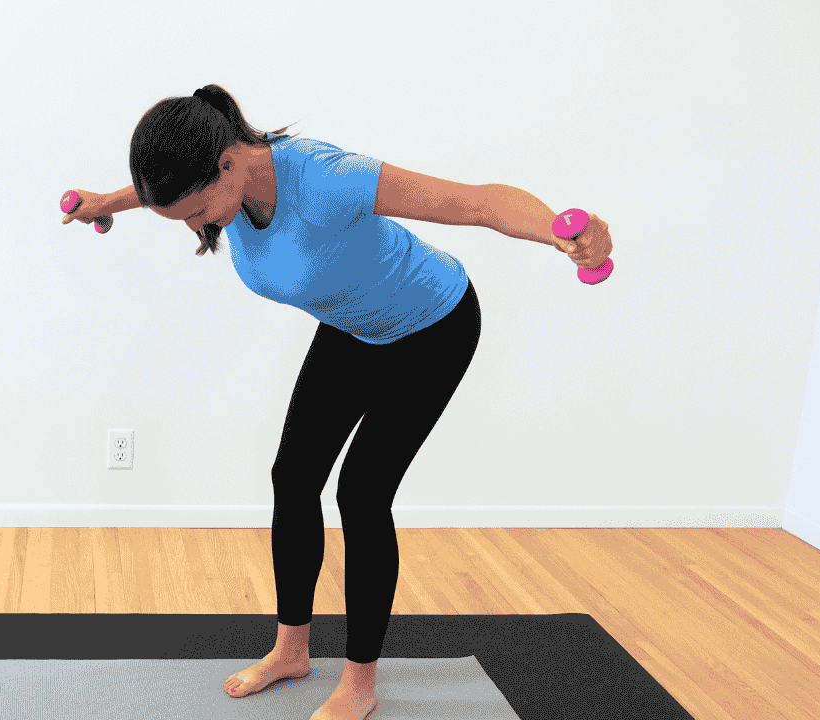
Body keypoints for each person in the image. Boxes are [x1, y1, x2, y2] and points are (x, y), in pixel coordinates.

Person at [62, 84, 612, 720]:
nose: (199, 226)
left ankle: (359, 682)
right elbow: (171, 185)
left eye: (196, 211)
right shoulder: (214, 166)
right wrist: (109, 202)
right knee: (292, 477)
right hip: (355, 330)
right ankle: (292, 650)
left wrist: (561, 234)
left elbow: (476, 202)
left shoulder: (330, 179)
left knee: (361, 492)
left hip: (433, 327)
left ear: (229, 163)